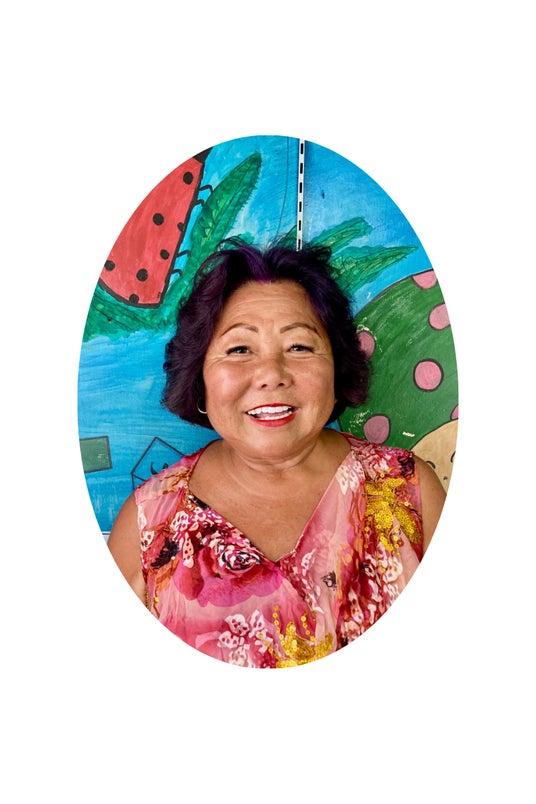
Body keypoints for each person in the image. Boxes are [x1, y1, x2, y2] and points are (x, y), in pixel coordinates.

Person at [108, 241, 446, 668]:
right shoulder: (147, 525)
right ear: (199, 376)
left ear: (337, 367)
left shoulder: (409, 492)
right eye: (239, 349)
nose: (271, 374)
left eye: (299, 347)